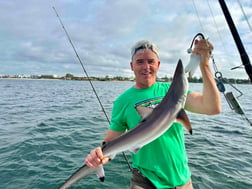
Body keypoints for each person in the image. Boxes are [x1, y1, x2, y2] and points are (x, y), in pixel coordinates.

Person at [85, 39, 221, 189]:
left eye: (151, 61)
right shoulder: (122, 101)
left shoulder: (172, 93)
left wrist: (204, 64)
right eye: (140, 62)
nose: (146, 67)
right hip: (144, 182)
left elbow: (212, 108)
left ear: (158, 65)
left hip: (182, 180)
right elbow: (110, 141)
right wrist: (99, 155)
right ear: (132, 66)